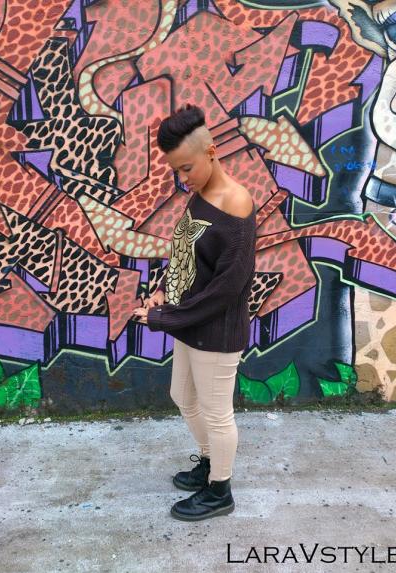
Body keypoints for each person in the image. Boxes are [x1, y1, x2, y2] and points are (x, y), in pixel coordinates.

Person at [132, 103, 256, 521]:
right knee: (182, 397)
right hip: (190, 322)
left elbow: (226, 290)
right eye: (177, 171)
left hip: (217, 331)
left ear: (212, 151)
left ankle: (220, 491)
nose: (182, 178)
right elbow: (185, 253)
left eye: (186, 168)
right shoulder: (200, 196)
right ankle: (209, 462)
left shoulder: (236, 205)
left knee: (218, 413)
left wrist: (163, 319)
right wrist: (162, 294)